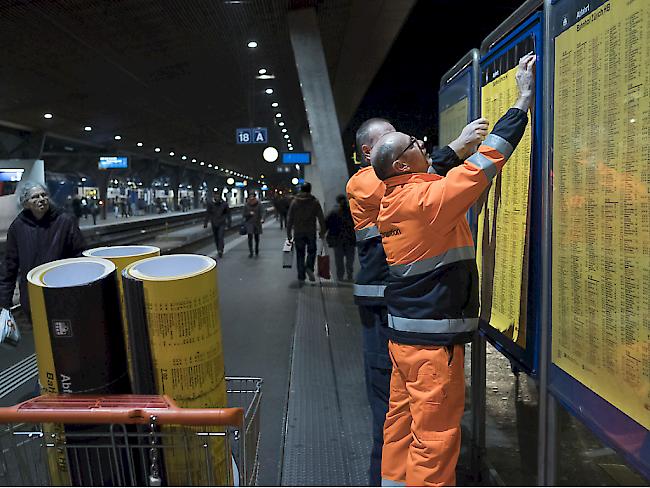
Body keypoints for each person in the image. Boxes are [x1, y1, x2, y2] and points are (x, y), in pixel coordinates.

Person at [370, 54, 535, 486]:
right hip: (432, 345)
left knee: (400, 425)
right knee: (435, 437)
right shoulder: (427, 203)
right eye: (415, 145)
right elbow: (485, 164)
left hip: (405, 340)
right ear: (404, 164)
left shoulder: (395, 199)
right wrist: (522, 100)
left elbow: (433, 177)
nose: (423, 146)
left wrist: (455, 145)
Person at [347, 115, 488, 486]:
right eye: (392, 141)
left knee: (402, 416)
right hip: (391, 316)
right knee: (398, 418)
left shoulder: (390, 183)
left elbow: (419, 177)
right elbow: (416, 181)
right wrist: (457, 149)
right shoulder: (364, 183)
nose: (410, 146)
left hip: (400, 314)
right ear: (370, 154)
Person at [0, 182, 86, 322]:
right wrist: (4, 303)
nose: (41, 199)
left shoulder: (65, 221)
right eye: (35, 197)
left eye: (44, 195)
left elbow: (80, 255)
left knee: (65, 337)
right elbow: (9, 266)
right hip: (32, 296)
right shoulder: (18, 227)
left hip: (62, 293)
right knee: (41, 338)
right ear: (25, 203)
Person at [286, 182, 325, 284]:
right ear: (310, 190)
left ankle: (301, 276)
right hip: (310, 231)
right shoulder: (315, 202)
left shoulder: (294, 202)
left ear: (301, 189)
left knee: (300, 254)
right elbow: (321, 218)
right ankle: (309, 267)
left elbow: (289, 218)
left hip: (298, 232)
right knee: (312, 251)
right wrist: (322, 231)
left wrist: (289, 233)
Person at [325, 194, 356, 281]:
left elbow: (326, 224)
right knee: (350, 259)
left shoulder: (333, 212)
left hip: (337, 240)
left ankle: (340, 276)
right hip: (350, 239)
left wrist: (323, 233)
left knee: (339, 259)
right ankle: (349, 274)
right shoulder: (351, 211)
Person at [204, 189, 231, 258]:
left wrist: (229, 222)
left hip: (222, 222)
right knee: (216, 237)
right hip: (214, 223)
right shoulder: (210, 204)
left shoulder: (224, 204)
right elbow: (208, 213)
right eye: (215, 196)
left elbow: (228, 213)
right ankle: (218, 249)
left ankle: (220, 250)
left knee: (220, 236)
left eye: (218, 196)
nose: (217, 197)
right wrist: (206, 222)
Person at [243, 193, 263, 258]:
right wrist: (249, 213)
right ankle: (251, 252)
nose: (251, 198)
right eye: (250, 196)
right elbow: (244, 214)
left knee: (257, 237)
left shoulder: (259, 204)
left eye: (252, 196)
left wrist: (262, 218)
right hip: (249, 223)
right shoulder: (246, 205)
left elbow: (262, 212)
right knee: (250, 237)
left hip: (257, 223)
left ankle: (256, 249)